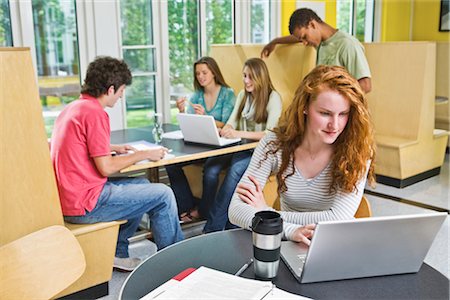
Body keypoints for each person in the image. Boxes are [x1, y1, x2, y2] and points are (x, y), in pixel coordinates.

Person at [50, 56, 183, 272]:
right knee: (162, 195)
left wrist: (113, 147)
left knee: (140, 185)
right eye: (121, 90)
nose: (122, 96)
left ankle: (117, 253)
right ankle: (175, 262)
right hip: (85, 203)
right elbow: (107, 167)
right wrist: (145, 154)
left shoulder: (74, 108)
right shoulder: (95, 113)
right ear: (111, 89)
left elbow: (82, 145)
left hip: (69, 197)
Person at [228, 65, 376, 245]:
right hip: (286, 240)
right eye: (325, 113)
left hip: (335, 244)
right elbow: (235, 210)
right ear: (304, 107)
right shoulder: (274, 144)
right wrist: (289, 230)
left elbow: (339, 217)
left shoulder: (357, 148)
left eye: (343, 114)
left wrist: (269, 215)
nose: (335, 125)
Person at [203, 57, 283, 233]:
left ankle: (213, 229)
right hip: (240, 148)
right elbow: (231, 122)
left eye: (250, 77)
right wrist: (228, 129)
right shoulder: (242, 95)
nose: (246, 81)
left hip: (261, 153)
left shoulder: (273, 97)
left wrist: (238, 133)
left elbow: (270, 134)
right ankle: (218, 219)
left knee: (236, 169)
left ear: (260, 77)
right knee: (211, 167)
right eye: (244, 76)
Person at [166, 57, 235, 222]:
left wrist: (206, 116)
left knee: (211, 173)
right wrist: (182, 111)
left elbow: (227, 123)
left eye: (204, 72)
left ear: (213, 72)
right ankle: (186, 205)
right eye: (198, 74)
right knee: (171, 163)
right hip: (203, 145)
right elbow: (191, 122)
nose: (201, 77)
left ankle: (203, 211)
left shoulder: (227, 93)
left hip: (223, 146)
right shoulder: (197, 95)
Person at [261, 8, 372, 94]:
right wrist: (275, 42)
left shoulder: (347, 44)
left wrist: (338, 103)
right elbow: (296, 38)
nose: (304, 43)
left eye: (304, 37)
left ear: (312, 24)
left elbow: (365, 85)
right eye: (301, 39)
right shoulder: (320, 43)